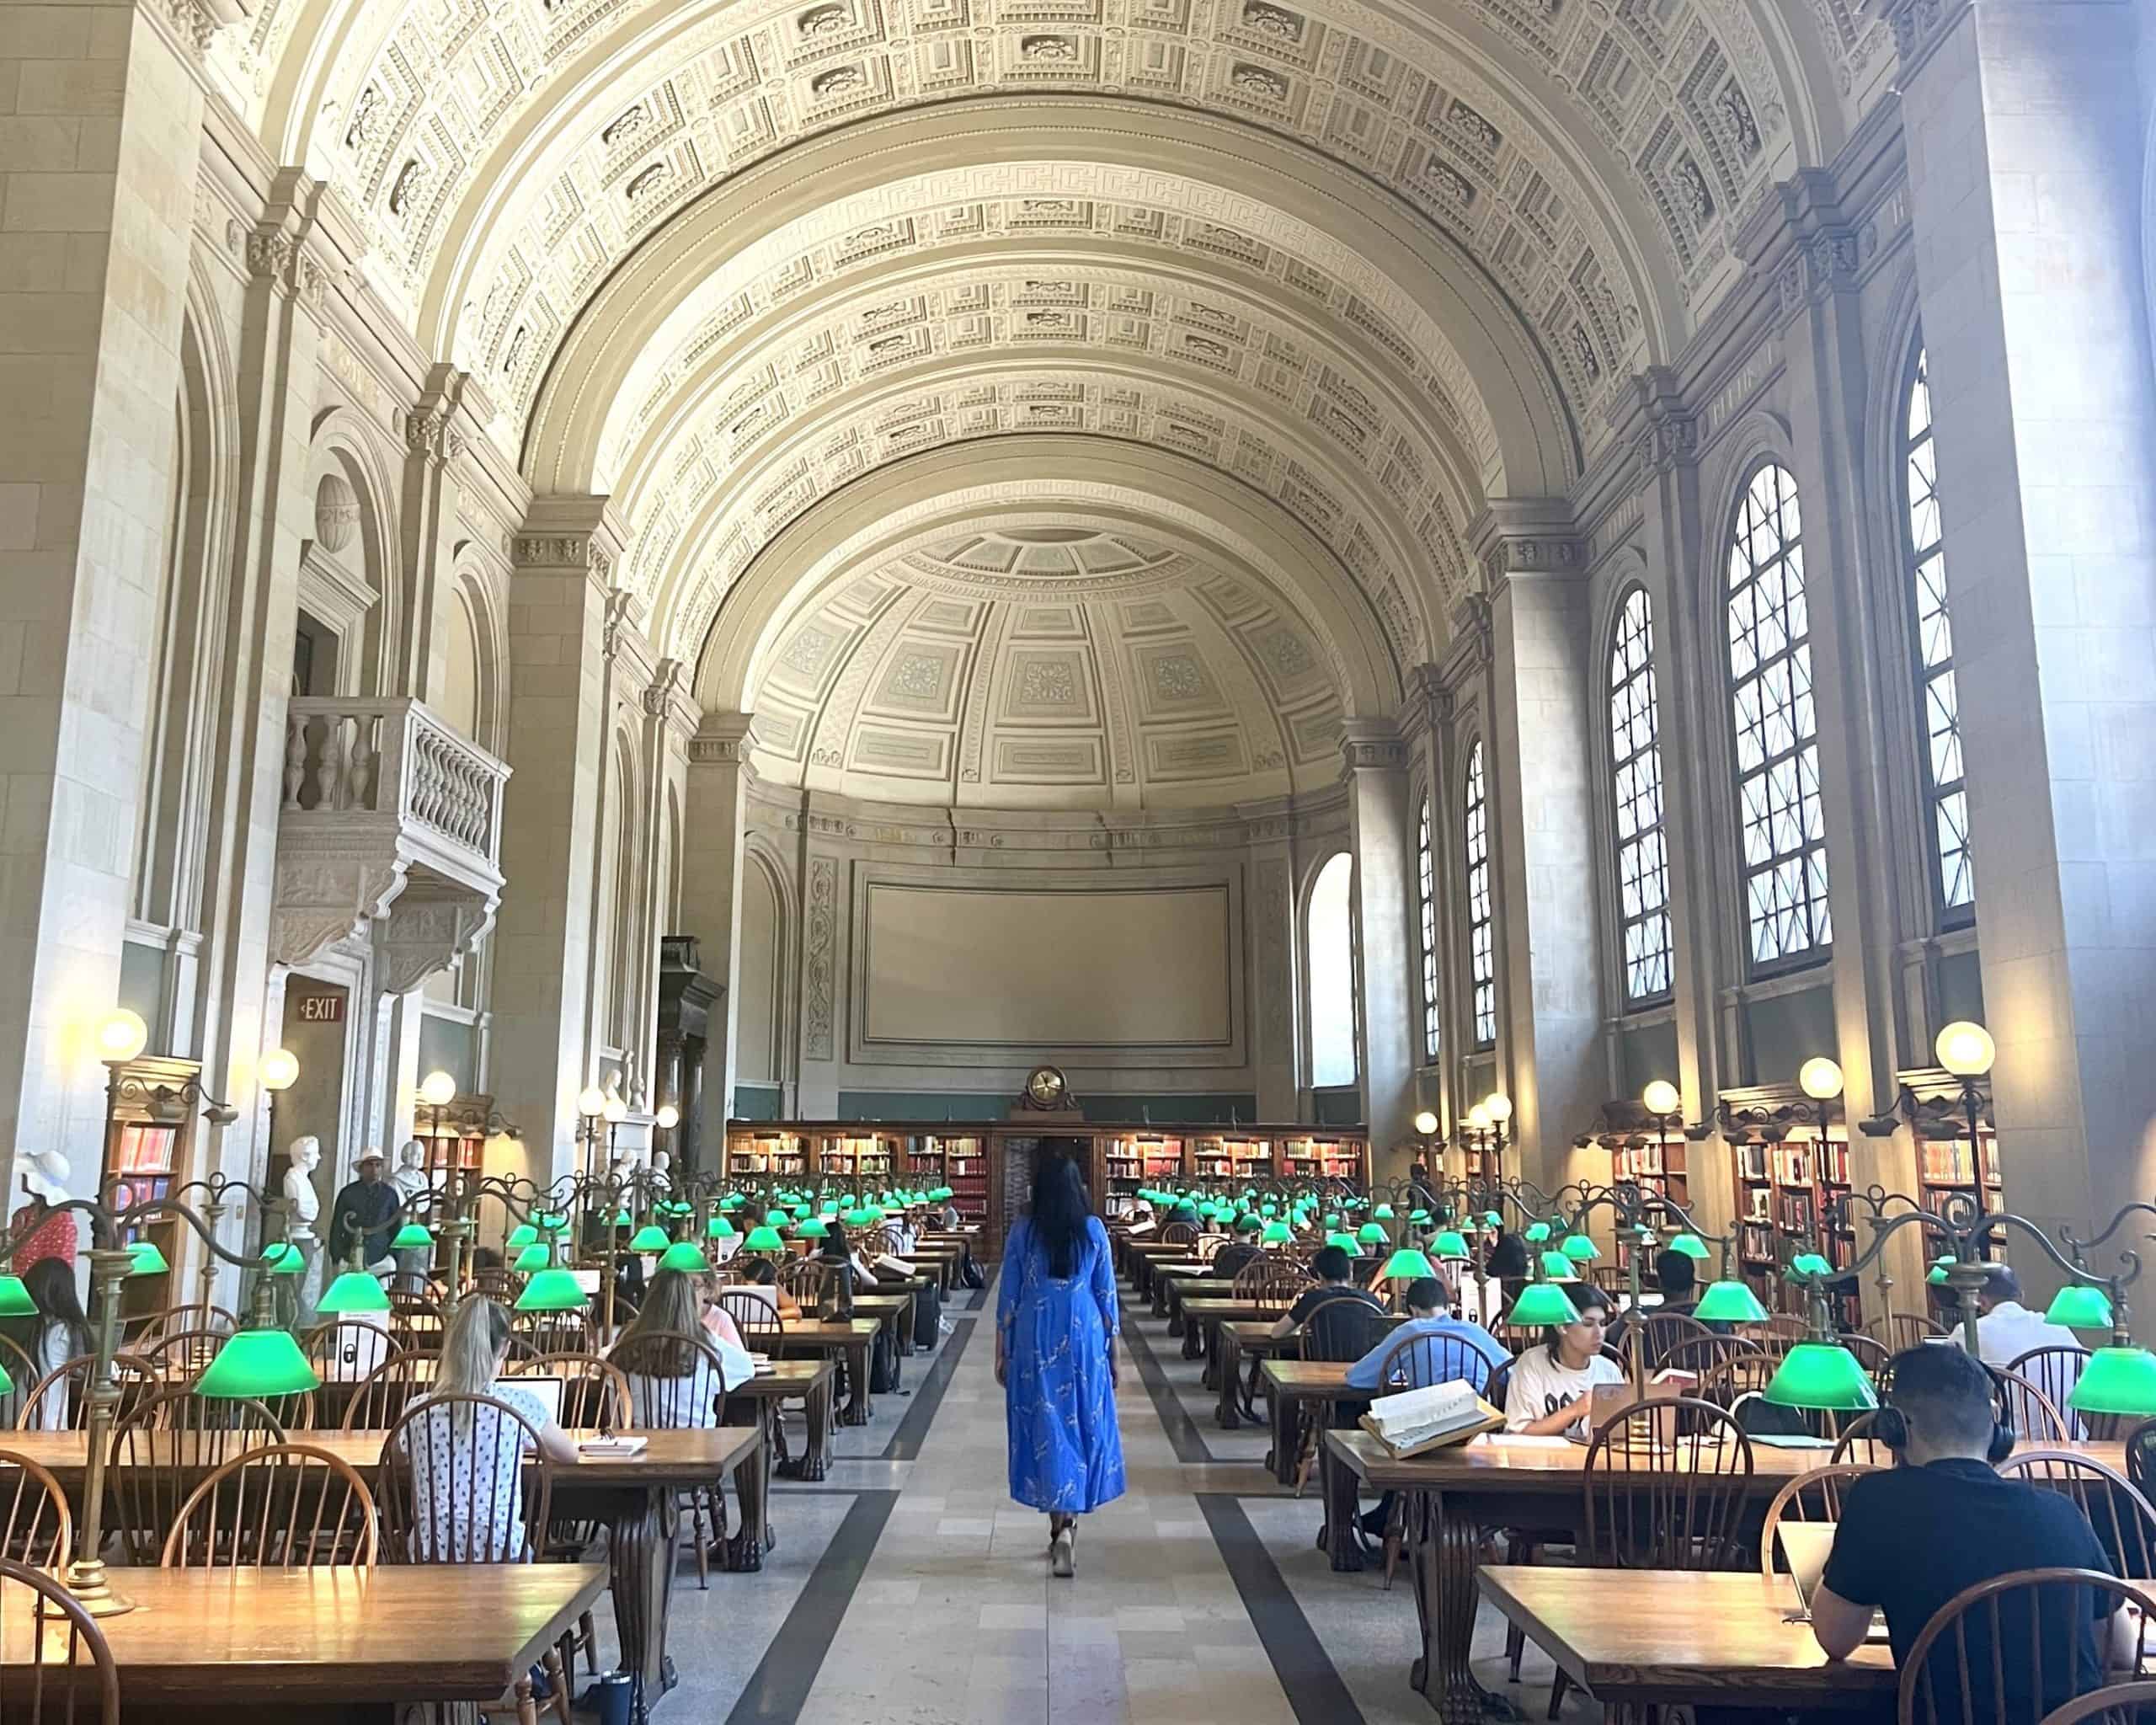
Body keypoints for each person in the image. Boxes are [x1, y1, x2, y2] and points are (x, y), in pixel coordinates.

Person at [1811, 1343, 2137, 1717]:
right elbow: (2122, 1650)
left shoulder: (1877, 1501)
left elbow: (1835, 1640)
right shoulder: (2063, 1512)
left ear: (1894, 1427)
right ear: (1998, 1430)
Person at [996, 1155, 1124, 1578]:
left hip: (1037, 1332)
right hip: (1083, 1332)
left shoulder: (1023, 1231)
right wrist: (1115, 1355)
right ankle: (1070, 1523)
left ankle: (1058, 1526)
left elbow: (1008, 1299)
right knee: (1081, 1423)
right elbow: (1107, 1296)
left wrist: (1002, 1350)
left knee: (1046, 1426)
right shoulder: (1093, 1230)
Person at [396, 1296, 579, 1561]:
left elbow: (395, 1456)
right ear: (504, 1349)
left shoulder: (417, 1408)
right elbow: (569, 1455)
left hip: (430, 1554)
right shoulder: (519, 1406)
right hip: (499, 1553)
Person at [1348, 1277, 1506, 1541]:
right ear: (1448, 1304)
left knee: (1374, 1423)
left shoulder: (1410, 1331)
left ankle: (1388, 1514)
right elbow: (1507, 1372)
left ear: (1412, 1309)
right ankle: (1389, 1514)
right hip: (1479, 1432)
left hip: (1425, 1435)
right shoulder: (1475, 1331)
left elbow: (1358, 1379)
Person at [610, 1267, 750, 1426]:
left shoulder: (628, 1341)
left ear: (649, 1298)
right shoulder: (706, 1342)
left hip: (643, 1443)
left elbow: (607, 1374)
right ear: (690, 1300)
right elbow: (746, 1368)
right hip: (700, 1444)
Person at [1503, 1284, 1625, 1436]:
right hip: (1542, 1458)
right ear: (1562, 1327)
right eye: (1588, 1324)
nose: (1599, 1333)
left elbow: (1621, 1433)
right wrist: (1574, 1410)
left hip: (1594, 1458)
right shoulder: (1532, 1364)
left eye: (1603, 1324)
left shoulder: (1609, 1370)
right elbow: (1518, 1432)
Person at [4, 1258, 91, 1430]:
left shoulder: (13, 1325)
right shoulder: (63, 1331)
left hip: (7, 1423)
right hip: (46, 1428)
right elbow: (89, 1371)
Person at [1951, 1264, 2078, 1367]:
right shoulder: (2056, 1326)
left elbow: (1943, 1371)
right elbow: (2086, 1367)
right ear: (2022, 1296)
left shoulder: (1969, 1331)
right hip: (2064, 1399)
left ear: (1981, 1301)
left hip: (2005, 1399)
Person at [1269, 1244, 1384, 1340]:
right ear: (1350, 1274)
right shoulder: (1371, 1300)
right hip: (1364, 1366)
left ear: (1320, 1275)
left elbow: (1276, 1333)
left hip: (1318, 1366)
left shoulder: (1313, 1298)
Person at [327, 1150, 400, 1270]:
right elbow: (336, 1228)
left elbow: (396, 1229)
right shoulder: (347, 1193)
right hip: (349, 1257)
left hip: (381, 1258)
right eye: (369, 1165)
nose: (374, 1169)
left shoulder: (390, 1195)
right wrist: (337, 1257)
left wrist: (393, 1257)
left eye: (378, 1165)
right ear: (361, 1169)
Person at [8, 1151, 77, 1278]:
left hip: (42, 1292)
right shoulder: (26, 1214)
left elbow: (58, 1269)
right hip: (17, 1289)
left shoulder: (62, 1220)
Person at [1210, 1213, 1266, 1282]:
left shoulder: (1222, 1252)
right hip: (1256, 1293)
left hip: (1226, 1292)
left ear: (1231, 1228)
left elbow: (1215, 1276)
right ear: (1252, 1230)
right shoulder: (1261, 1254)